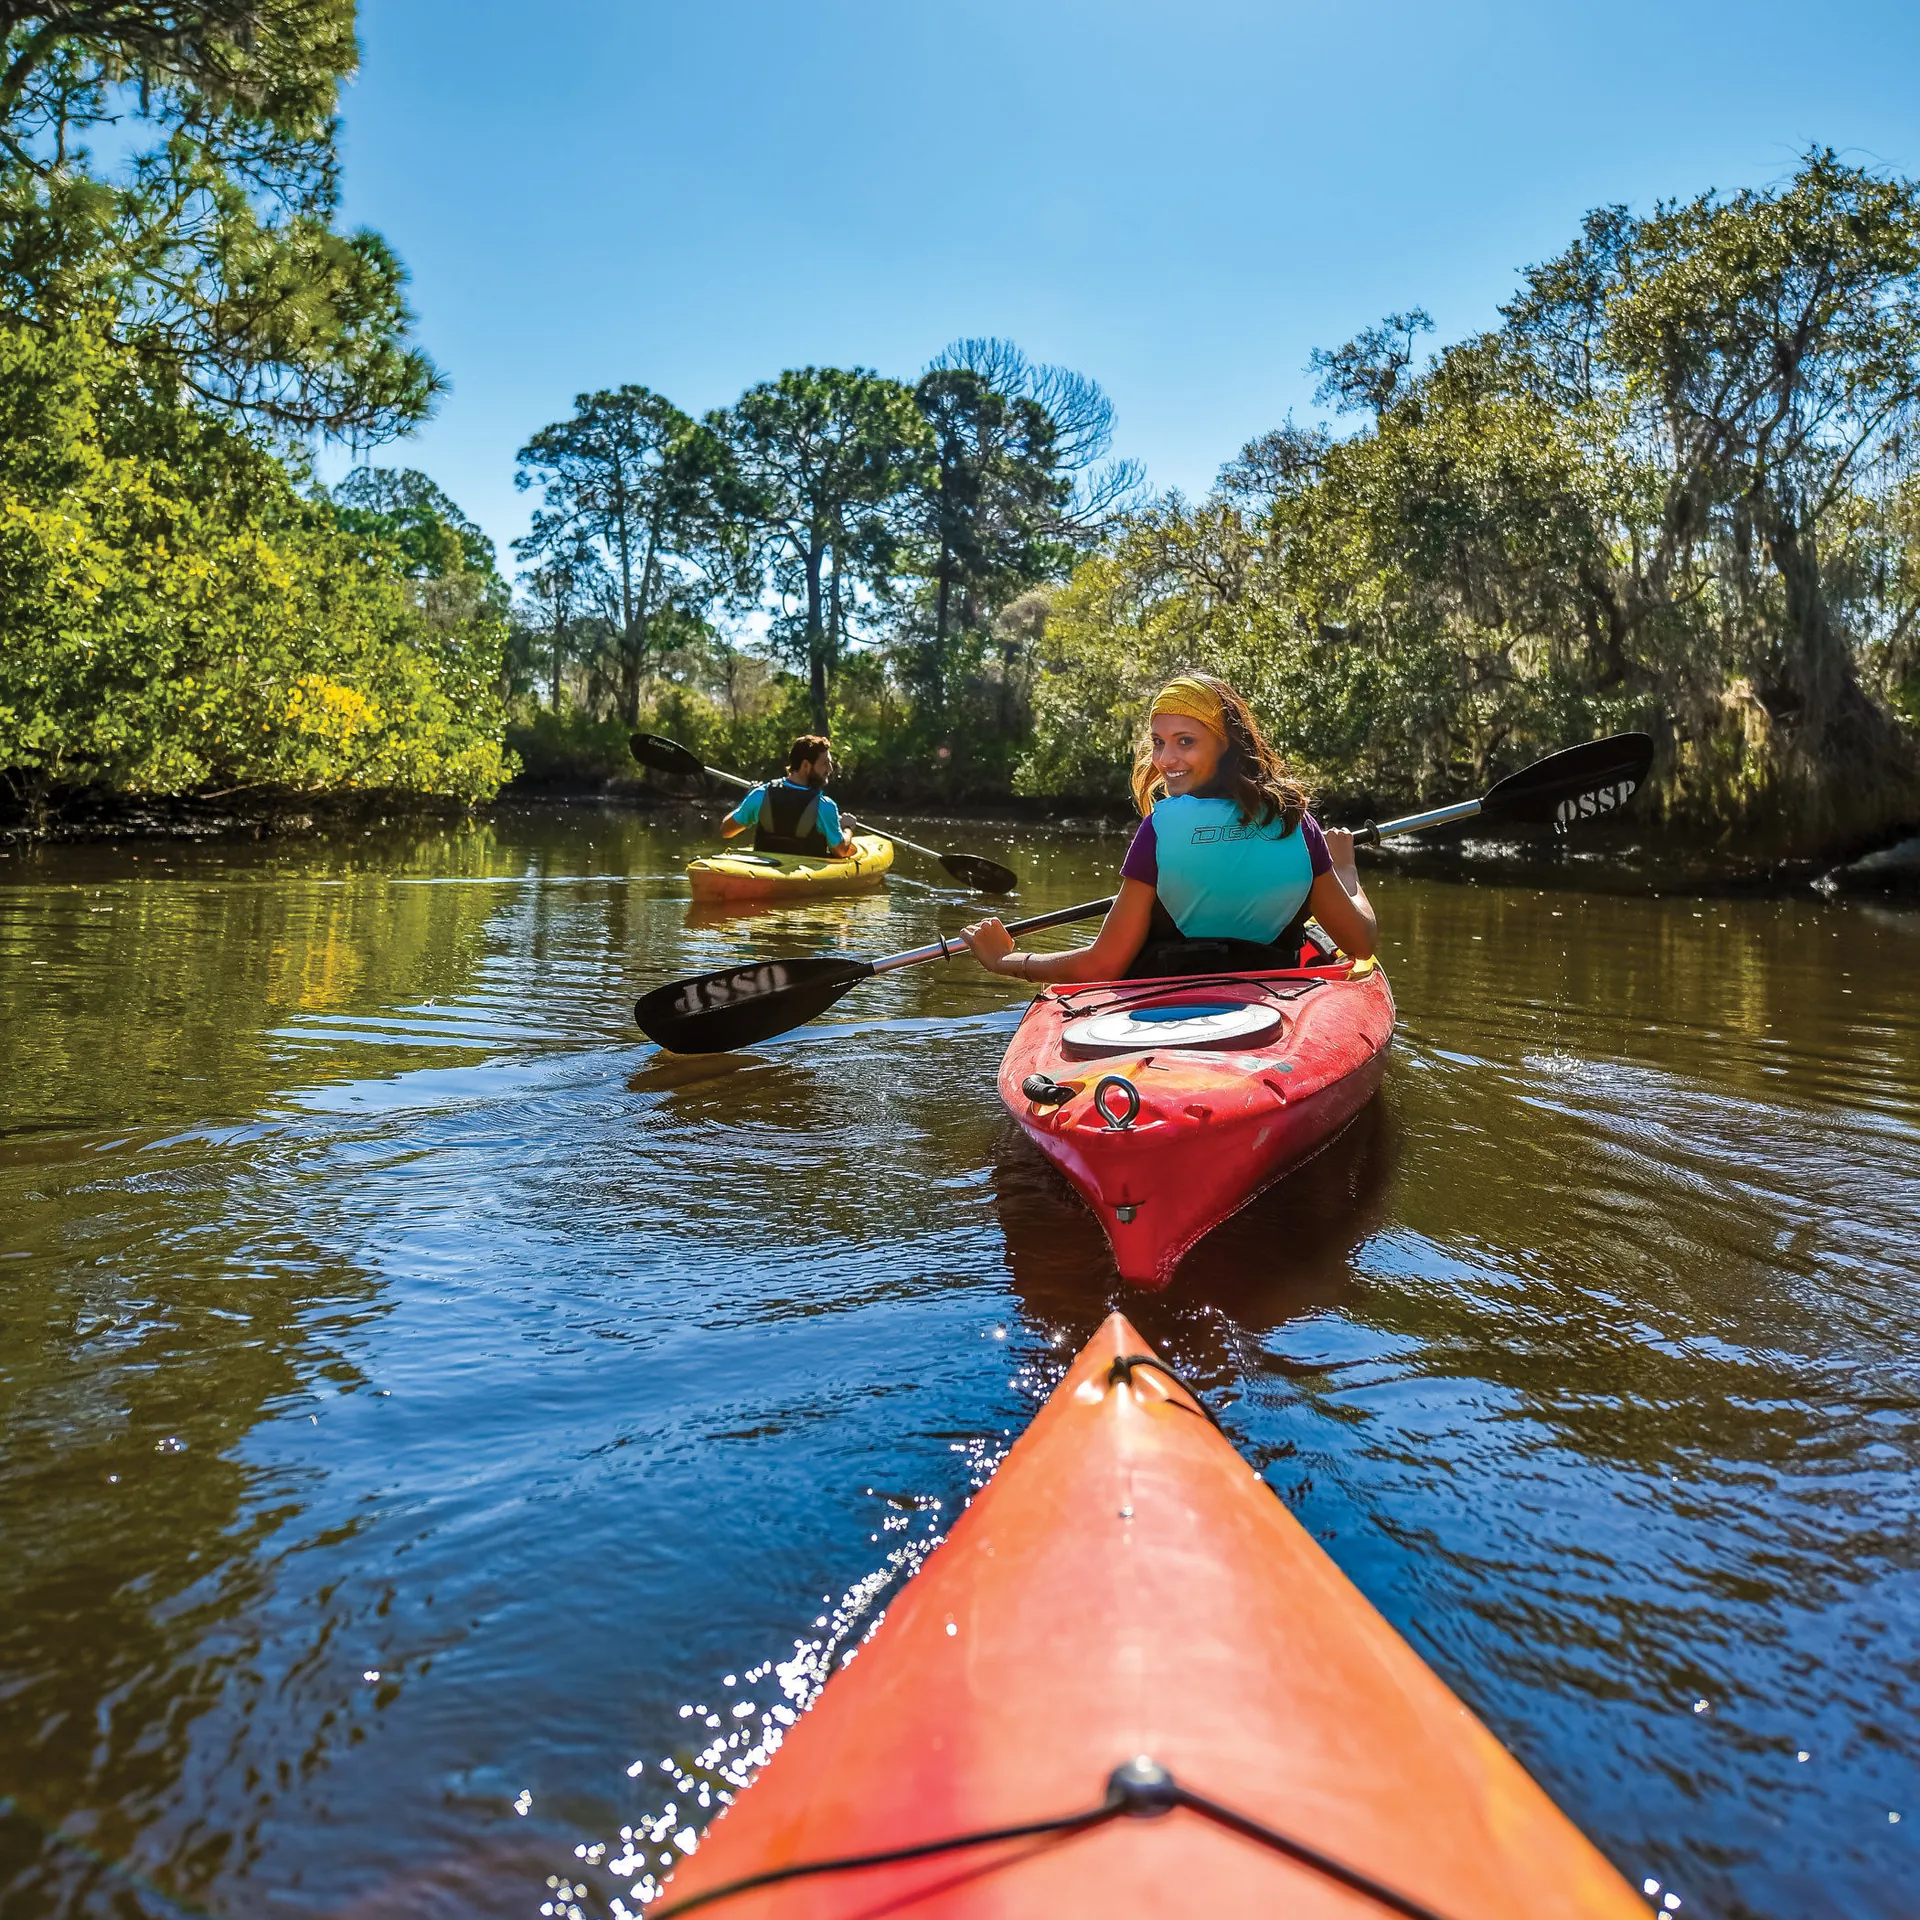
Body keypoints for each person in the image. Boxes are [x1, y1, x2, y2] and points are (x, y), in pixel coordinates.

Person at [962, 673, 1376, 982]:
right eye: (1159, 742)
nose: (1165, 759)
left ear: (1226, 742)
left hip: (1163, 995)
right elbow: (1360, 944)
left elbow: (1103, 965)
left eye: (1185, 741)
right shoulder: (1296, 821)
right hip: (1270, 998)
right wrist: (1346, 870)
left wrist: (1007, 961)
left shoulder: (1159, 830)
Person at [720, 735, 858, 859]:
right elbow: (841, 851)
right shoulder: (825, 806)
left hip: (764, 872)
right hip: (803, 879)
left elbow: (726, 830)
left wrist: (748, 799)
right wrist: (847, 827)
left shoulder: (760, 794)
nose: (830, 769)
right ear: (805, 765)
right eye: (825, 763)